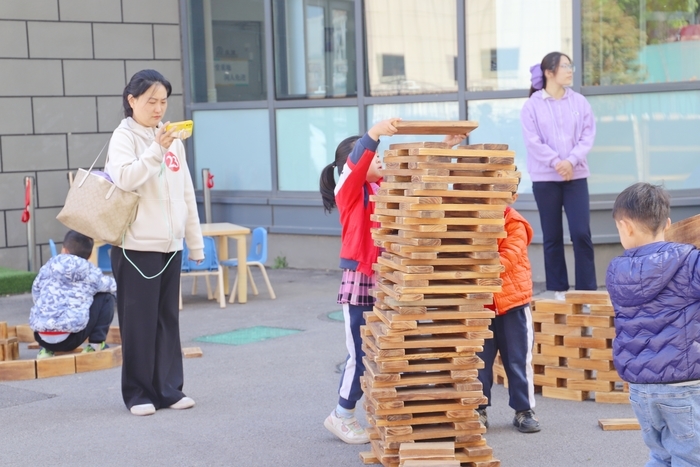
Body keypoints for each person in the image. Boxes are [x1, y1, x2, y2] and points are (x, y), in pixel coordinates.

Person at [318, 121, 465, 444]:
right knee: (359, 353)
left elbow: (418, 179)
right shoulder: (350, 192)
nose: (380, 159)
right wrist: (373, 135)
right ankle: (341, 414)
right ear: (352, 166)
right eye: (374, 155)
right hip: (361, 281)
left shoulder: (383, 187)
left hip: (389, 278)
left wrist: (445, 146)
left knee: (388, 350)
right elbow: (357, 163)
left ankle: (381, 412)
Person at [105, 69, 204, 416]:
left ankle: (169, 389)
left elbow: (186, 193)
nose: (159, 108)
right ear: (131, 101)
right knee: (138, 322)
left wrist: (195, 243)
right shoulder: (124, 137)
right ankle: (138, 393)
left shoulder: (172, 137)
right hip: (135, 247)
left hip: (169, 246)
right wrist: (155, 151)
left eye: (163, 101)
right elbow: (125, 178)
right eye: (151, 101)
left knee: (167, 320)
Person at [606, 182, 700, 465]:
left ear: (626, 226)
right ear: (668, 223)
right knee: (690, 457)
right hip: (684, 383)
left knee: (660, 454)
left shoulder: (616, 270)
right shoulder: (690, 261)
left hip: (640, 387)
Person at [521, 51, 597, 300]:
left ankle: (586, 292)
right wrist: (556, 162)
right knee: (552, 236)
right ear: (549, 72)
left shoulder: (580, 102)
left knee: (580, 233)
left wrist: (571, 161)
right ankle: (558, 290)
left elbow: (588, 135)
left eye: (570, 65)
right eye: (565, 65)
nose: (570, 69)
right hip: (545, 179)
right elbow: (532, 141)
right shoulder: (532, 106)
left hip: (575, 177)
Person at [476, 180, 540, 434]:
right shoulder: (474, 221)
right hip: (482, 305)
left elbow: (508, 258)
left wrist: (477, 260)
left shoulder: (515, 223)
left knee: (518, 360)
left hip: (513, 303)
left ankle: (524, 411)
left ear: (512, 197)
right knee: (479, 362)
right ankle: (478, 409)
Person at [30, 230, 116, 358]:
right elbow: (113, 286)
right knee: (106, 297)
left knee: (43, 298)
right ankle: (95, 345)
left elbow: (35, 293)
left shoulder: (47, 267)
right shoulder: (90, 271)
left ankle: (46, 350)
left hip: (41, 336)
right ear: (90, 254)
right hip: (71, 338)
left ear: (64, 250)